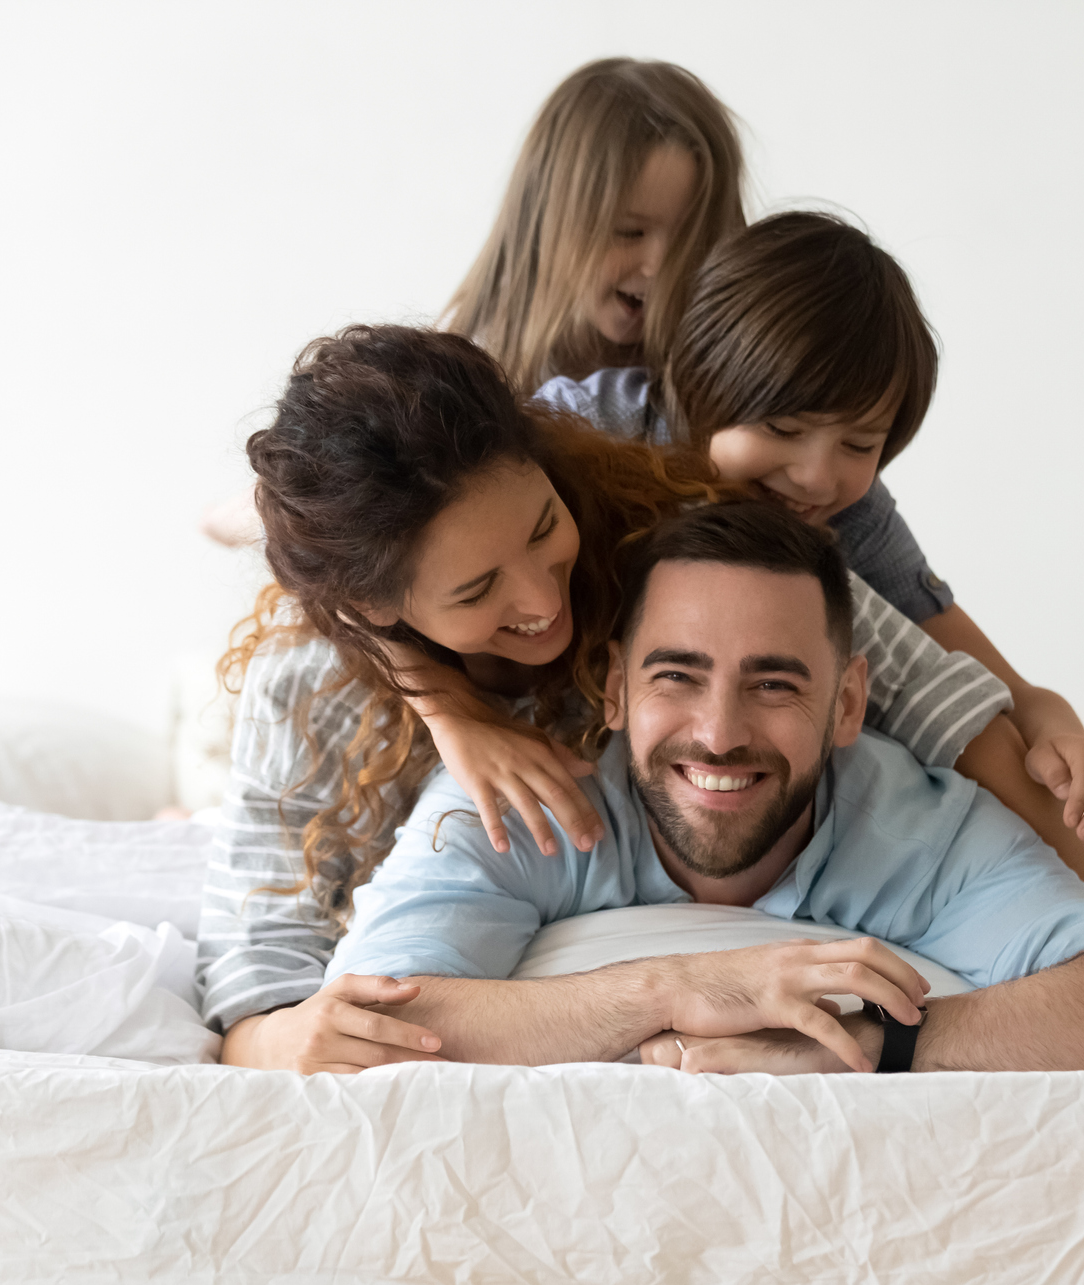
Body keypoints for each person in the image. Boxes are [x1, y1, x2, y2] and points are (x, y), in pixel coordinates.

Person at [204, 326, 1013, 1072]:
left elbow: (911, 685)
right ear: (379, 611)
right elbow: (256, 973)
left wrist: (1083, 877)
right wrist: (284, 1035)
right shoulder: (308, 691)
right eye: (479, 588)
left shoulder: (655, 546)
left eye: (541, 527)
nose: (541, 600)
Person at [326, 500, 1084, 1076]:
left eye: (774, 684)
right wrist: (679, 988)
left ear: (848, 706)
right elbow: (360, 1024)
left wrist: (855, 1047)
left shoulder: (922, 830)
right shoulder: (513, 804)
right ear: (612, 689)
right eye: (675, 676)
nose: (719, 733)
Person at [537, 212, 1084, 893]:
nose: (817, 477)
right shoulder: (587, 431)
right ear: (697, 381)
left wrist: (1059, 731)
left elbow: (988, 684)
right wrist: (455, 720)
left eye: (859, 445)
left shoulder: (846, 513)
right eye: (783, 429)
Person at [443, 58, 746, 391]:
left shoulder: (725, 372)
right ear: (548, 222)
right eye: (629, 232)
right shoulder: (475, 370)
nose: (658, 265)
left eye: (692, 239)